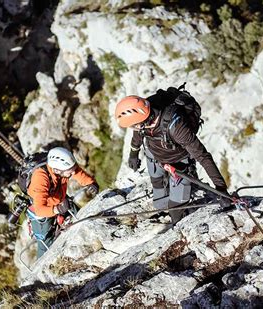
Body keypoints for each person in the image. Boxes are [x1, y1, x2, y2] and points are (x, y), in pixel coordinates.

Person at [114, 93, 229, 225]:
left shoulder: (176, 127)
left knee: (175, 211)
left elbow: (203, 156)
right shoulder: (146, 114)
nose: (133, 129)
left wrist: (221, 189)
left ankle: (183, 216)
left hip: (178, 162)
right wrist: (133, 154)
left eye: (133, 126)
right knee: (160, 201)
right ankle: (167, 201)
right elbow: (138, 134)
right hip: (155, 155)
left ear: (142, 122)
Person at [26, 147, 99, 258]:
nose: (73, 172)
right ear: (57, 170)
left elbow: (77, 172)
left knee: (81, 219)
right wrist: (57, 209)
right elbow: (39, 209)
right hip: (43, 213)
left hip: (61, 201)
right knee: (45, 244)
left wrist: (90, 183)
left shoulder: (64, 170)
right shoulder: (40, 177)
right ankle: (38, 271)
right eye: (70, 170)